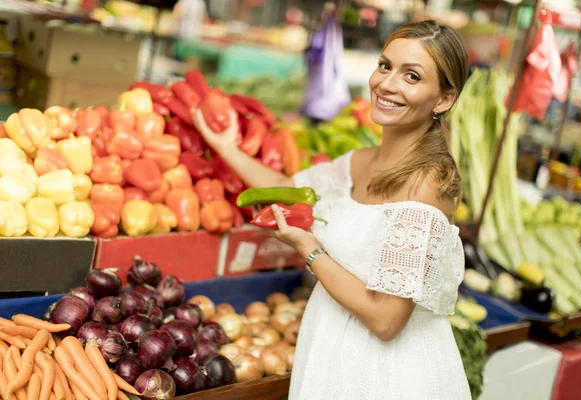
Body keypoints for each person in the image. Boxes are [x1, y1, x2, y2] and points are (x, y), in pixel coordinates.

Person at [193, 19, 471, 400]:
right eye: (385, 65)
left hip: (387, 376)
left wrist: (307, 248)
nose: (387, 84)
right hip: (336, 354)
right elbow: (292, 189)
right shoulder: (361, 160)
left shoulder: (428, 185)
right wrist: (225, 148)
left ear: (443, 99)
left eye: (412, 76)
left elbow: (387, 320)